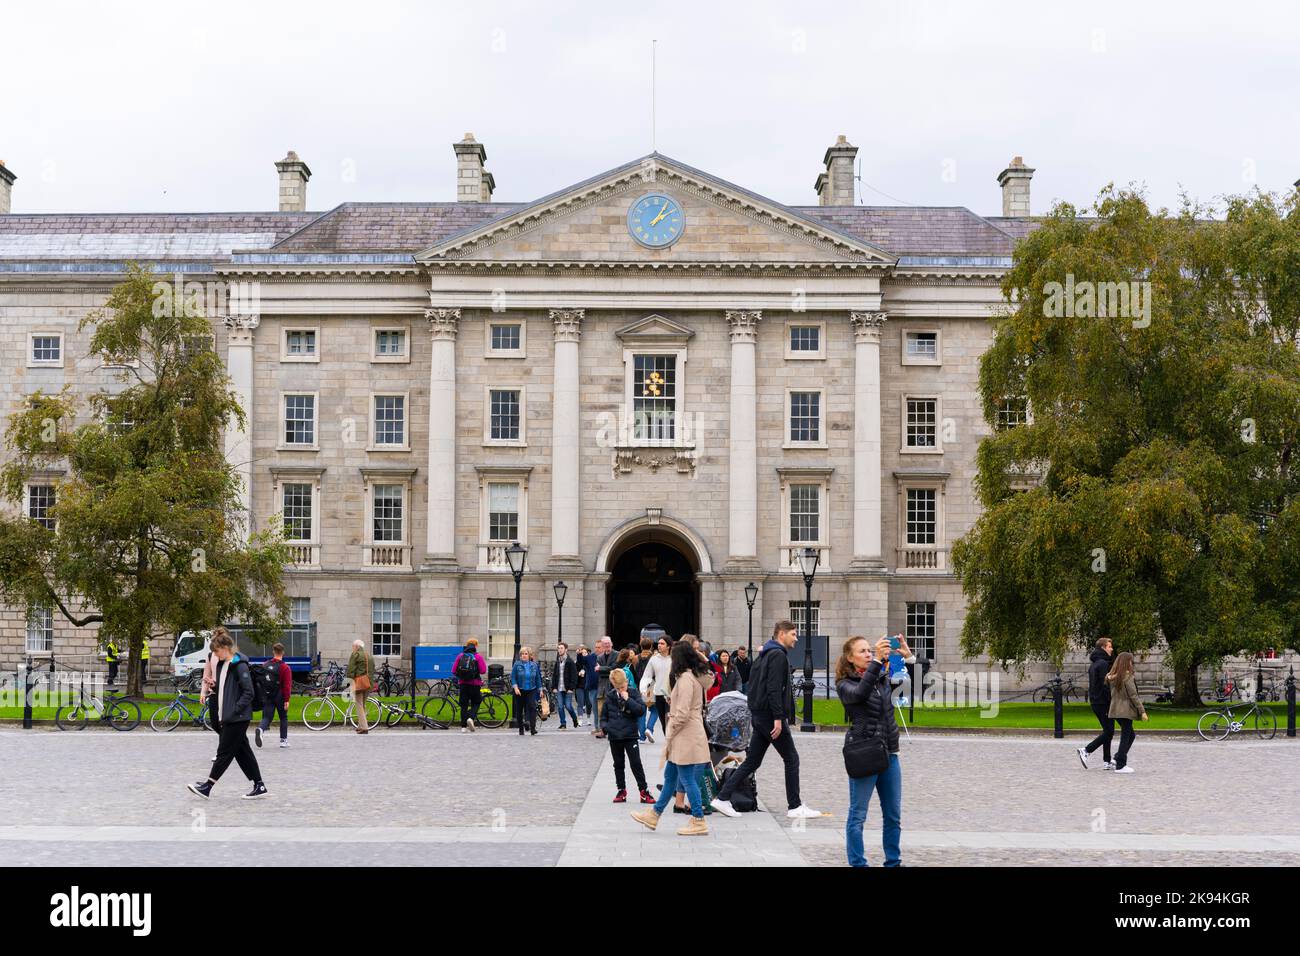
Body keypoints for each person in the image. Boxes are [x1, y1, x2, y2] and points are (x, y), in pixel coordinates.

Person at [710, 620, 821, 819]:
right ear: (782, 634)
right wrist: (779, 718)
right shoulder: (777, 655)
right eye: (793, 634)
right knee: (791, 758)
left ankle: (723, 798)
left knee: (752, 761)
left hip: (760, 715)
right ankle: (795, 806)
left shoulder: (765, 655)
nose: (796, 639)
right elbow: (773, 688)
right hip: (770, 717)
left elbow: (754, 686)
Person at [630, 640, 716, 835]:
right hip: (686, 734)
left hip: (685, 734)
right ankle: (654, 814)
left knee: (687, 778)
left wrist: (671, 727)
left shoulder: (686, 679)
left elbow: (683, 712)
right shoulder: (693, 676)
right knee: (670, 777)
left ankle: (698, 820)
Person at [837, 635, 903, 867]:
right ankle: (858, 863)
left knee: (893, 816)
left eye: (870, 651)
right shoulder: (845, 684)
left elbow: (904, 683)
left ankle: (893, 862)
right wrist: (876, 663)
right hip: (864, 752)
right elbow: (860, 694)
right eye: (863, 651)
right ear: (850, 658)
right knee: (858, 815)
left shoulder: (880, 677)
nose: (868, 654)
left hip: (889, 753)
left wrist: (906, 656)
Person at [187, 628, 266, 799]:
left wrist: (235, 710)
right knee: (243, 752)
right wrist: (212, 686)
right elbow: (228, 688)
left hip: (237, 717)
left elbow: (248, 692)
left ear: (225, 648)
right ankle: (259, 785)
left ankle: (208, 787)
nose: (215, 654)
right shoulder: (225, 665)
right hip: (229, 715)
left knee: (224, 752)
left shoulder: (240, 665)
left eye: (216, 651)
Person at [603, 669, 654, 804]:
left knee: (636, 763)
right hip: (615, 735)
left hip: (630, 734)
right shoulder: (610, 696)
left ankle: (644, 791)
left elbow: (641, 710)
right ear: (613, 685)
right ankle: (621, 790)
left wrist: (628, 699)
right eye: (618, 688)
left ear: (626, 682)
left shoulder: (633, 692)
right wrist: (606, 727)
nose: (621, 690)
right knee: (618, 764)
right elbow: (604, 715)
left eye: (623, 687)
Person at [1106, 651, 1148, 773]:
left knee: (1130, 735)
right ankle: (1121, 765)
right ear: (1126, 662)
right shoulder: (1127, 676)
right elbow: (1133, 695)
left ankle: (1117, 758)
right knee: (1126, 736)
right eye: (1130, 661)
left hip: (1115, 709)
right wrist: (1142, 711)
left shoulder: (1112, 676)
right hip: (1125, 709)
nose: (1131, 663)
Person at [1078, 637, 1115, 769]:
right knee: (1109, 731)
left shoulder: (1095, 664)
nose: (1112, 649)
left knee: (1108, 731)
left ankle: (1107, 761)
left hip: (1096, 701)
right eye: (1110, 646)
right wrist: (1110, 700)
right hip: (1102, 702)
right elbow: (1105, 685)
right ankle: (1086, 750)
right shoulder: (1103, 664)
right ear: (1103, 648)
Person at [255, 642, 293, 749]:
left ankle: (261, 729)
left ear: (273, 651)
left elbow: (261, 680)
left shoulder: (265, 665)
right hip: (280, 695)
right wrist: (287, 700)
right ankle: (283, 740)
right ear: (283, 653)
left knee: (267, 717)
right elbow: (287, 686)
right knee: (283, 717)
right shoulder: (285, 668)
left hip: (267, 695)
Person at [639, 635, 672, 744]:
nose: (659, 645)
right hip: (658, 694)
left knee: (670, 721)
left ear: (668, 646)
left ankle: (671, 744)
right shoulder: (654, 659)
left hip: (671, 695)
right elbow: (647, 675)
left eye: (662, 643)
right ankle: (669, 743)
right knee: (663, 722)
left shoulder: (674, 659)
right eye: (658, 643)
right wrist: (643, 688)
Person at [455, 640, 487, 733]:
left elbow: (454, 670)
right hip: (475, 684)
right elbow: (483, 671)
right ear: (475, 647)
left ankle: (463, 727)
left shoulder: (460, 656)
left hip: (463, 684)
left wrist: (461, 677)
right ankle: (470, 717)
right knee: (476, 702)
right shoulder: (478, 656)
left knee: (463, 705)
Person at [512, 646, 542, 736]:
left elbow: (538, 679)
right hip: (520, 690)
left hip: (531, 689)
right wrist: (515, 688)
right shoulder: (517, 664)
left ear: (529, 655)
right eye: (522, 654)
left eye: (526, 654)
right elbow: (513, 677)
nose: (524, 655)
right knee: (519, 710)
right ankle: (521, 729)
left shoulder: (534, 665)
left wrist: (540, 690)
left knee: (532, 707)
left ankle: (533, 728)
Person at [346, 638, 374, 735]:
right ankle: (360, 725)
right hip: (368, 683)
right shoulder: (368, 655)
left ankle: (364, 727)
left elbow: (351, 669)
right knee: (363, 705)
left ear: (357, 646)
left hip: (359, 683)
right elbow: (372, 670)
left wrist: (349, 681)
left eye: (353, 646)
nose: (352, 648)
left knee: (359, 704)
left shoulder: (356, 654)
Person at [551, 641, 581, 729]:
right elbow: (554, 675)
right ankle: (563, 723)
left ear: (566, 650)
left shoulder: (570, 662)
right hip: (559, 688)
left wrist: (571, 688)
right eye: (558, 648)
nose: (559, 650)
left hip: (568, 688)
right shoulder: (557, 661)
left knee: (568, 706)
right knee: (560, 706)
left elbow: (574, 676)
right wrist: (553, 687)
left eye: (561, 648)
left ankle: (575, 719)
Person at [592, 637, 615, 738]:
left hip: (613, 686)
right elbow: (600, 673)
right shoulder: (599, 657)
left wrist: (601, 668)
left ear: (611, 644)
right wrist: (605, 670)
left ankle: (613, 730)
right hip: (601, 687)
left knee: (613, 710)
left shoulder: (617, 655)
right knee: (601, 710)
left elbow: (614, 668)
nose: (607, 645)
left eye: (608, 643)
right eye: (605, 643)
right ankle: (603, 730)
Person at [576, 645, 597, 721]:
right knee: (580, 703)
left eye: (585, 652)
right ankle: (580, 720)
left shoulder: (590, 662)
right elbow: (574, 671)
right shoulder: (578, 662)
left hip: (588, 684)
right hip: (580, 685)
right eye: (582, 652)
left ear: (588, 653)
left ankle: (588, 718)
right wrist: (578, 673)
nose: (584, 654)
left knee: (589, 703)